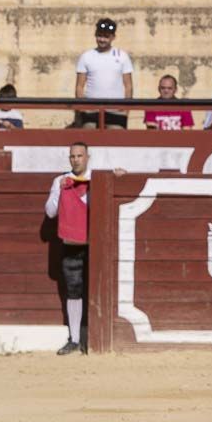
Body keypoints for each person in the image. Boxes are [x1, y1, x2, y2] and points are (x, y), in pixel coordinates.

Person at [44, 143, 125, 355]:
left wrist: (121, 178)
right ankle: (75, 339)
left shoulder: (100, 178)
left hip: (99, 245)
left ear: (88, 157)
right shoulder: (60, 180)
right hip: (72, 244)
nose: (76, 160)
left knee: (101, 289)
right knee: (74, 291)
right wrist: (60, 191)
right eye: (72, 156)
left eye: (79, 156)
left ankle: (102, 338)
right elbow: (51, 212)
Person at [74, 17, 133, 129]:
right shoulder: (86, 56)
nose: (102, 39)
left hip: (116, 110)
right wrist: (82, 108)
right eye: (99, 35)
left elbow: (128, 85)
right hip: (91, 111)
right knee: (89, 141)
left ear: (113, 37)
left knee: (117, 142)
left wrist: (126, 110)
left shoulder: (122, 56)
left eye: (106, 37)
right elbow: (79, 86)